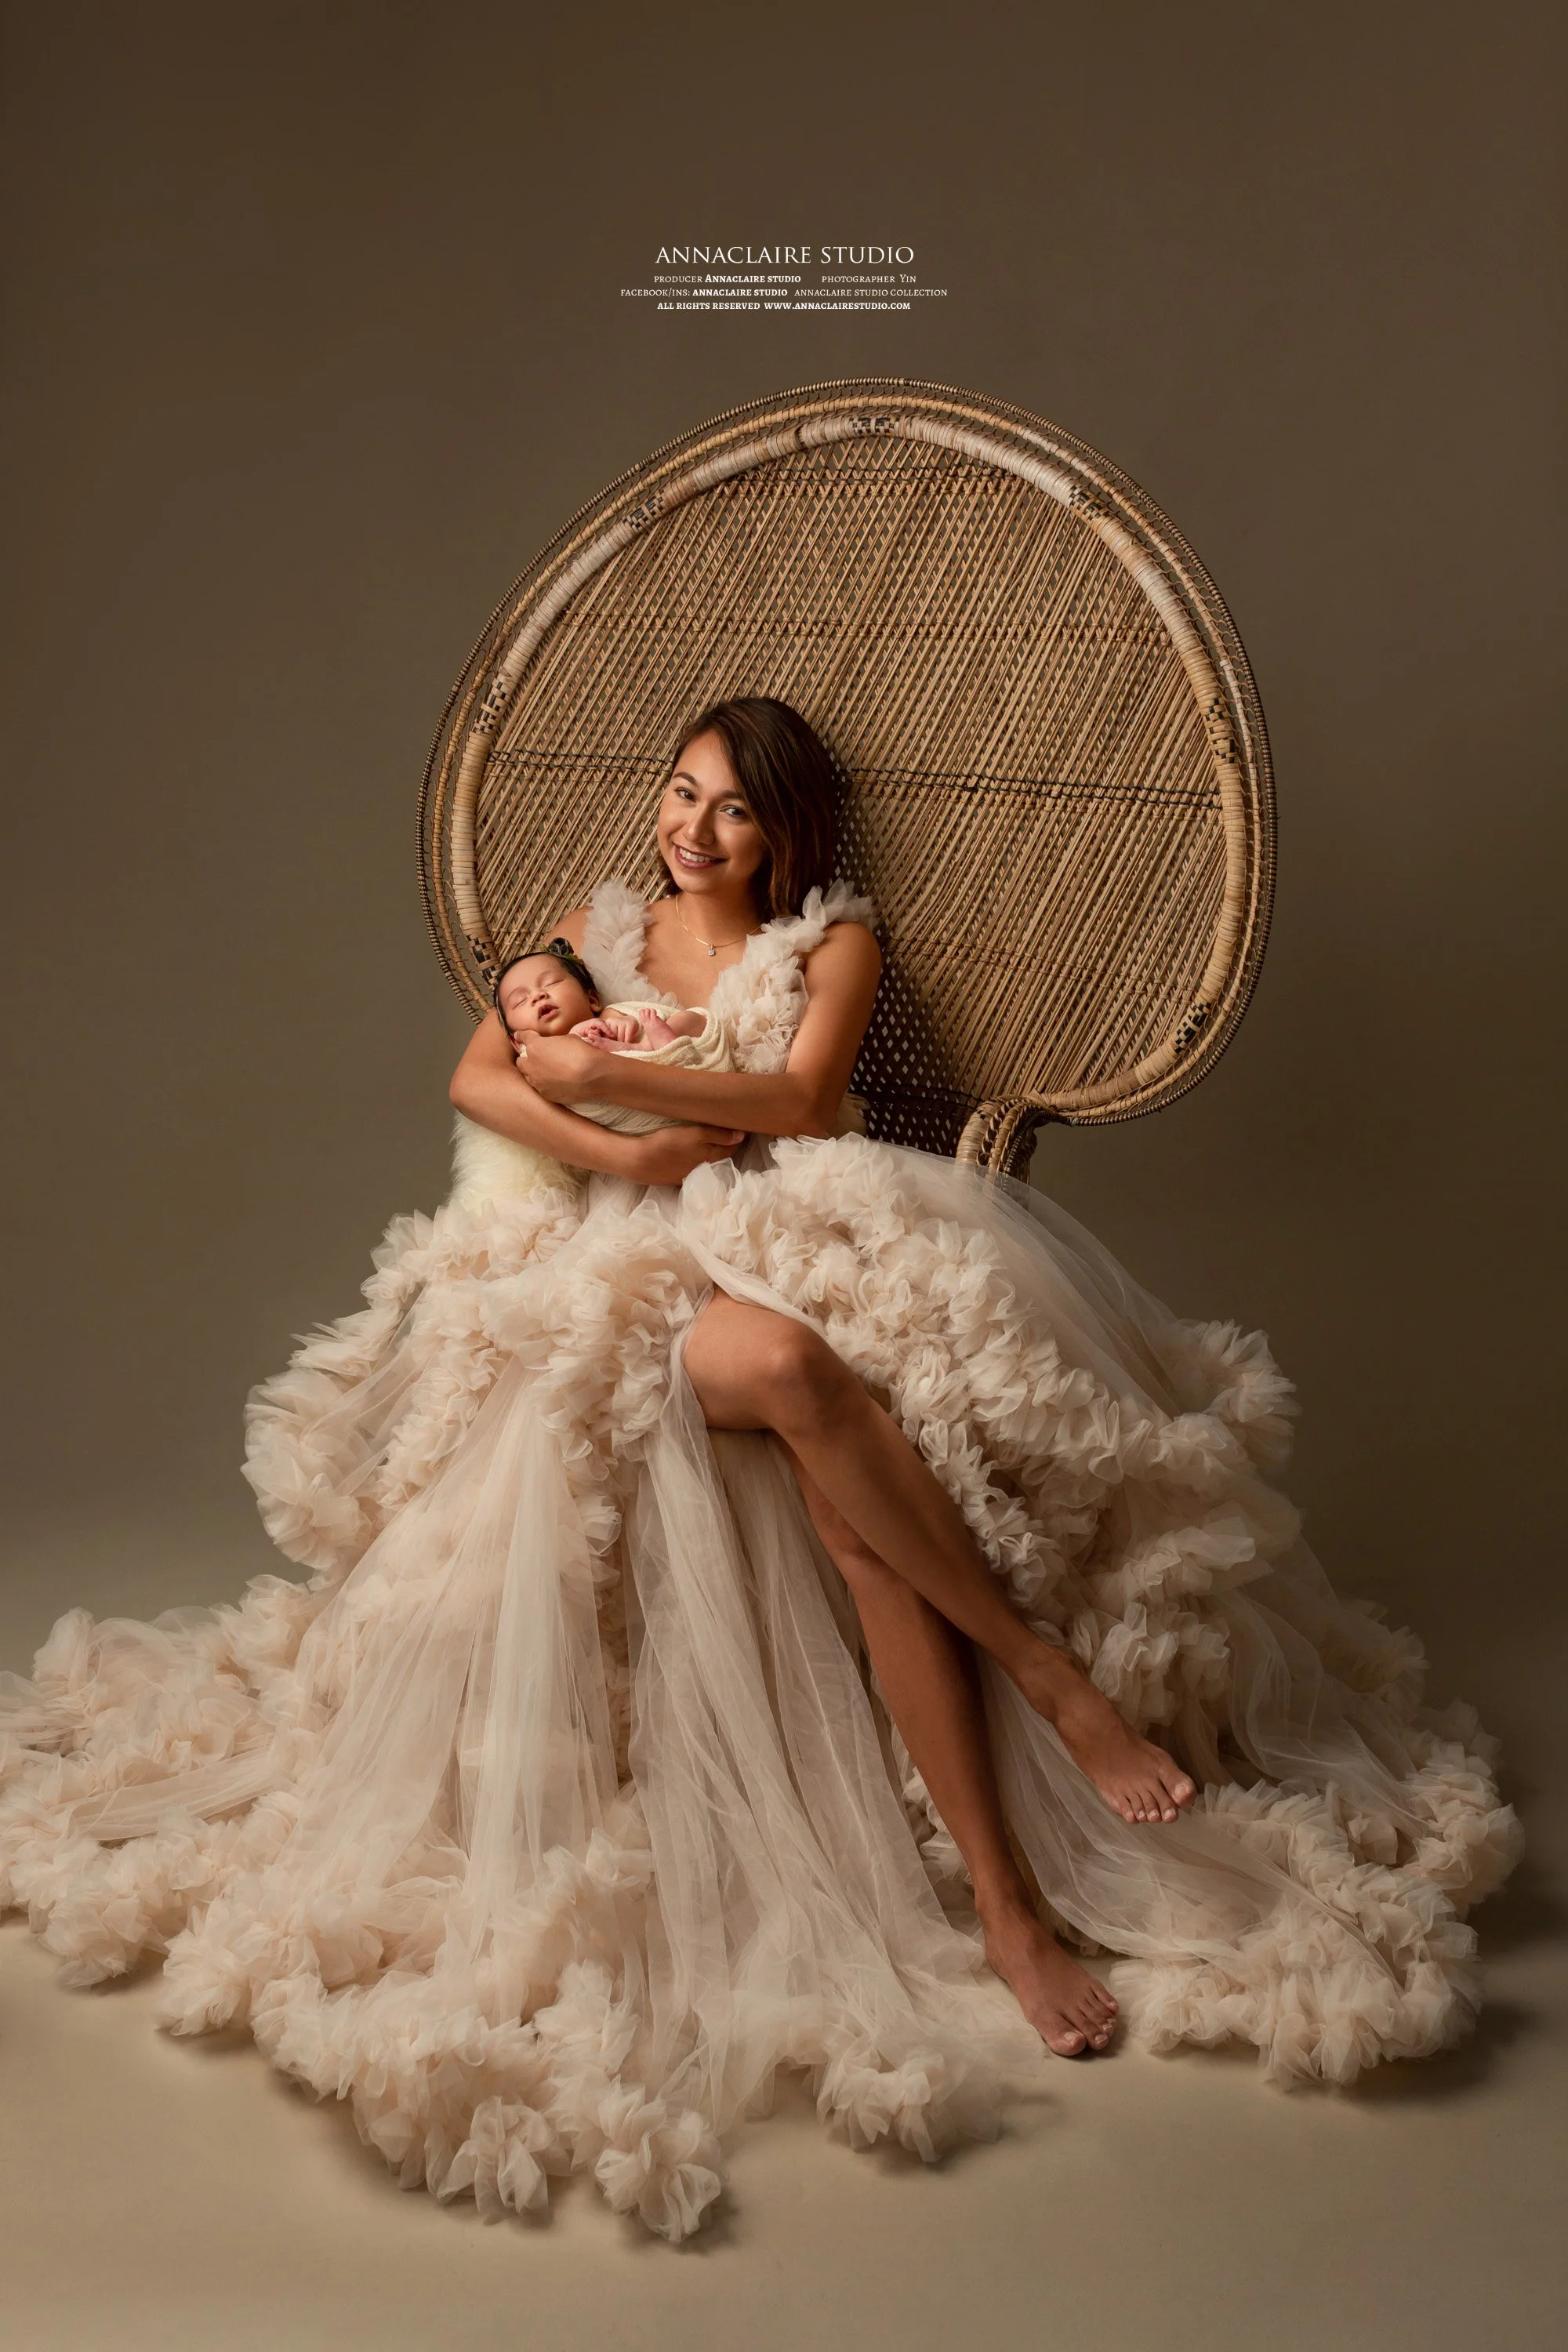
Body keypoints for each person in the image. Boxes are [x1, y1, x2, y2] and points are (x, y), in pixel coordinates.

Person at [0, 696, 1520, 2241]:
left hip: (788, 1230)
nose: (692, 829)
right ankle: (1038, 1678)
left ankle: (1010, 1875)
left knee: (838, 1484)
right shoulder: (596, 929)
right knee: (788, 1378)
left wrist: (611, 1081)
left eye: (729, 809)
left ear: (785, 834)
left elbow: (794, 1104)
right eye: (678, 793)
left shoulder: (831, 947)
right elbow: (481, 1079)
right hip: (625, 1256)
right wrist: (628, 1153)